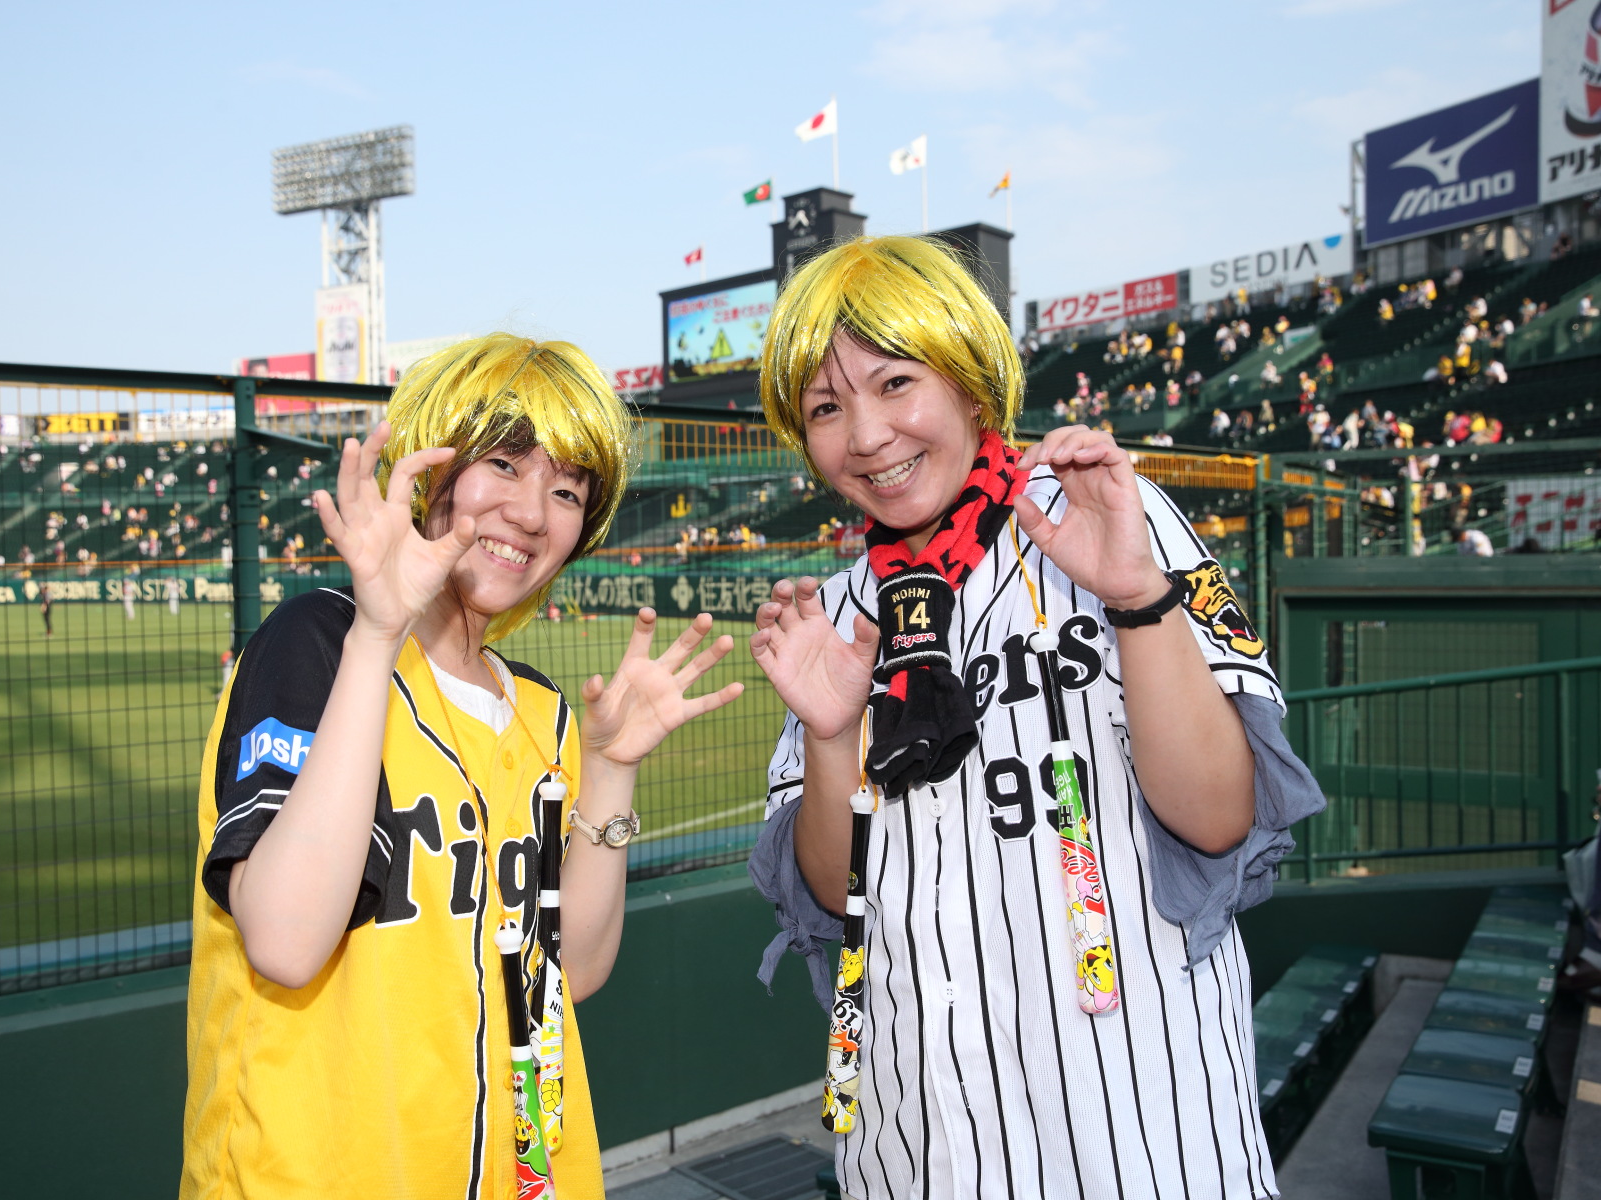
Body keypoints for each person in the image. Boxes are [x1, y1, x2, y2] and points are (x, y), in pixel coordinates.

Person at [746, 237, 1325, 1199]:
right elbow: (838, 893)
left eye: (895, 383)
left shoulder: (1103, 516)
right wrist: (830, 735)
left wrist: (1136, 598)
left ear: (971, 382)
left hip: (1137, 1134)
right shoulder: (838, 611)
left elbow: (1220, 817)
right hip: (916, 1137)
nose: (867, 434)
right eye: (826, 408)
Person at [182, 334, 742, 1197]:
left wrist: (610, 768)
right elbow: (286, 944)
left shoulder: (545, 712)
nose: (533, 513)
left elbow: (573, 975)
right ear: (430, 467)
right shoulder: (319, 644)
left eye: (566, 491)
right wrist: (379, 632)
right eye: (505, 465)